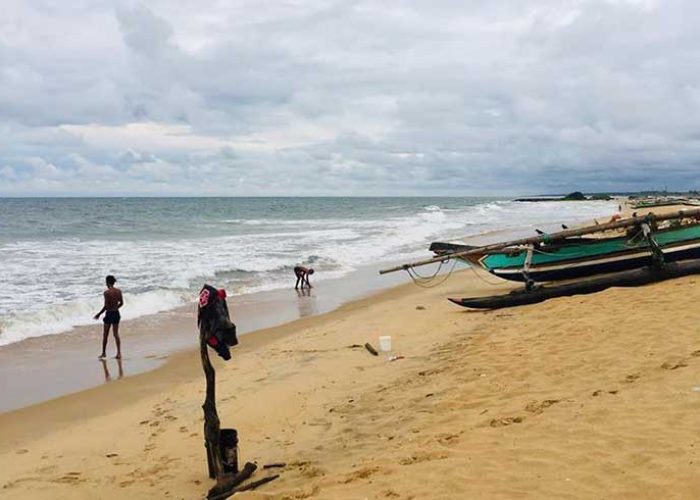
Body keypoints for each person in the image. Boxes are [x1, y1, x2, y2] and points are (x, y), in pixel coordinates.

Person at [94, 275, 124, 359]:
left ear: (107, 282)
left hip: (109, 314)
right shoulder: (118, 291)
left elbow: (106, 306)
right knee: (116, 334)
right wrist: (115, 308)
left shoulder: (107, 293)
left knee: (105, 335)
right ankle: (119, 353)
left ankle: (104, 353)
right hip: (116, 313)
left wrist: (99, 314)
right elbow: (121, 303)